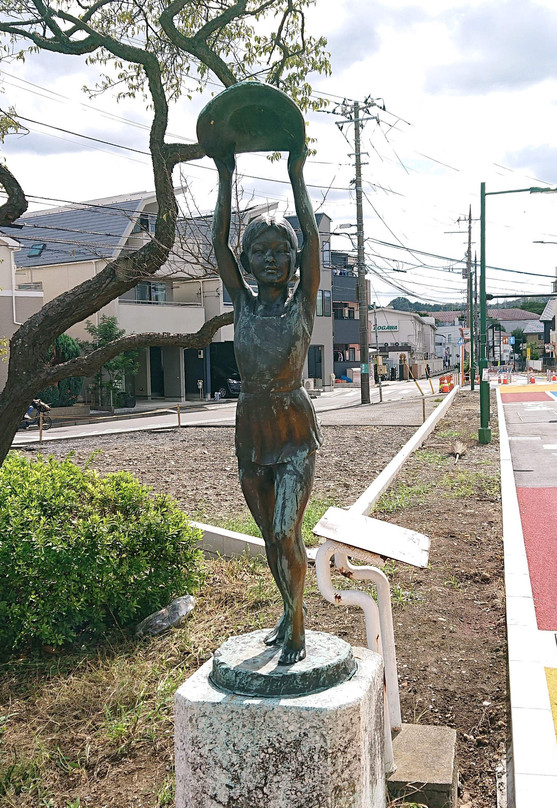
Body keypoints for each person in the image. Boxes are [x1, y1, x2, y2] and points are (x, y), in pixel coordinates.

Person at [211, 144, 322, 665]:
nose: (271, 258)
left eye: (281, 249)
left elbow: (315, 238)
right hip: (250, 427)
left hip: (294, 427)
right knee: (268, 538)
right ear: (249, 260)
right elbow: (217, 244)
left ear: (294, 259)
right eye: (261, 251)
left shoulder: (304, 303)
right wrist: (224, 175)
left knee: (286, 531)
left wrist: (297, 175)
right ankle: (286, 608)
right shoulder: (242, 304)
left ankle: (297, 623)